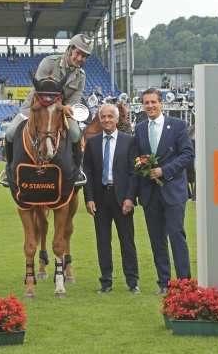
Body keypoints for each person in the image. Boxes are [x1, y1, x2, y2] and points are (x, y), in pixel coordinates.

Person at [0, 33, 93, 186]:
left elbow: (74, 101)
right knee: (10, 132)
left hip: (61, 111)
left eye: (85, 56)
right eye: (78, 53)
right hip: (35, 107)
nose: (80, 58)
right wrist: (62, 106)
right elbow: (41, 94)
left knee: (76, 133)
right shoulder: (49, 63)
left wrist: (67, 108)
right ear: (70, 49)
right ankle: (9, 169)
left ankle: (77, 171)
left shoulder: (81, 76)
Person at [134, 88, 194, 294]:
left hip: (174, 191)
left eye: (153, 102)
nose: (150, 106)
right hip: (150, 194)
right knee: (157, 239)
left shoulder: (177, 126)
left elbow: (187, 155)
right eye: (146, 103)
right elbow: (137, 158)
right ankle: (164, 283)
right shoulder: (140, 128)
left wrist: (163, 171)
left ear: (162, 104)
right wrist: (142, 167)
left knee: (176, 235)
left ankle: (185, 283)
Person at [83, 104, 139, 294]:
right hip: (99, 199)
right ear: (99, 119)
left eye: (110, 116)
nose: (106, 120)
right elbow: (87, 173)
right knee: (103, 242)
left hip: (122, 199)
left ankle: (133, 282)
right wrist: (88, 198)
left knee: (127, 241)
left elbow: (134, 173)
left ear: (117, 119)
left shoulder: (129, 141)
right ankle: (106, 282)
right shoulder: (92, 142)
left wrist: (130, 198)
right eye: (103, 117)